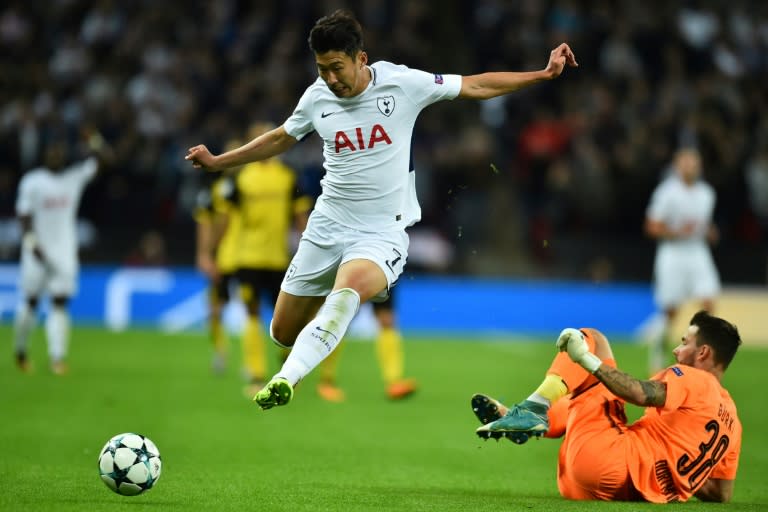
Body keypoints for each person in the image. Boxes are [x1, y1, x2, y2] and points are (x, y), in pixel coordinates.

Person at [186, 9, 578, 410]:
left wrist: (541, 75)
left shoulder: (402, 84)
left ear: (361, 58)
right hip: (326, 227)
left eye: (337, 67)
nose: (331, 79)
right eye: (322, 69)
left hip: (380, 233)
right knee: (282, 332)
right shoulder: (316, 98)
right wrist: (220, 161)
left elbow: (474, 85)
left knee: (348, 289)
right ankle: (293, 355)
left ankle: (286, 379)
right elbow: (281, 139)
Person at [474, 310, 741, 503]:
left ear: (703, 353)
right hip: (615, 491)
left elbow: (640, 393)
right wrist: (675, 475)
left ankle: (533, 409)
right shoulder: (733, 425)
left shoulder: (696, 379)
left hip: (606, 461)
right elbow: (720, 493)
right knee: (597, 399)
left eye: (684, 343)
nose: (676, 350)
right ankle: (527, 419)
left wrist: (587, 360)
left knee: (594, 339)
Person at [13, 129, 111, 374]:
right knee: (31, 302)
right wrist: (31, 243)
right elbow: (24, 216)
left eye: (59, 152)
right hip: (36, 250)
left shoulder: (74, 177)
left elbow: (108, 161)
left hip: (64, 251)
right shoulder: (32, 181)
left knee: (59, 303)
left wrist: (95, 141)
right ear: (45, 155)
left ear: (64, 155)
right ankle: (21, 349)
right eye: (52, 152)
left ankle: (57, 357)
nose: (56, 155)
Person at [644, 148, 720, 374]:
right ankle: (657, 353)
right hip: (673, 252)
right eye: (685, 163)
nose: (690, 167)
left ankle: (703, 360)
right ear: (677, 166)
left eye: (693, 163)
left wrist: (710, 232)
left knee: (709, 302)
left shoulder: (707, 193)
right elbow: (651, 226)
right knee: (670, 310)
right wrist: (677, 232)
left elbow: (704, 225)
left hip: (697, 251)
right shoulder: (666, 192)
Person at [315, 291, 417, 402]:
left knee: (387, 320)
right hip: (352, 276)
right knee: (340, 321)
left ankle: (393, 382)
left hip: (382, 275)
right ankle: (327, 381)